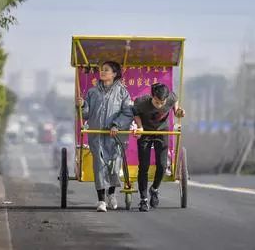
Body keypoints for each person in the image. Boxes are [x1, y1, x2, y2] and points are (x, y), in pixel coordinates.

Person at [77, 61, 133, 212]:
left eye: (106, 70)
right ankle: (101, 200)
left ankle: (112, 193)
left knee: (115, 166)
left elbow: (128, 113)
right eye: (102, 70)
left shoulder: (123, 92)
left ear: (114, 74)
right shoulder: (92, 92)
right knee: (99, 166)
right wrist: (83, 106)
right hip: (97, 135)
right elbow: (86, 115)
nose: (102, 72)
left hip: (115, 136)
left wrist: (116, 125)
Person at [132, 82, 185, 212]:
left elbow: (176, 109)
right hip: (146, 133)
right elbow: (135, 114)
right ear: (152, 96)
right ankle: (143, 199)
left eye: (162, 103)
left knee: (162, 165)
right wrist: (139, 126)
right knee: (143, 166)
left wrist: (180, 112)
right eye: (157, 102)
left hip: (162, 132)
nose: (160, 105)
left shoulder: (171, 97)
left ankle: (154, 189)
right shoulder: (141, 102)